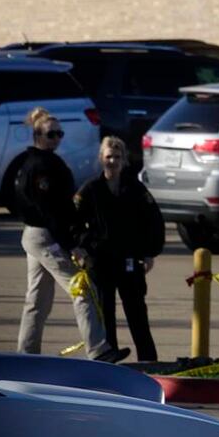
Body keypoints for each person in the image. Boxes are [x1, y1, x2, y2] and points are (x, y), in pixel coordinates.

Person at [13, 107, 127, 363]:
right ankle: (98, 350)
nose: (57, 138)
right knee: (82, 288)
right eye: (51, 134)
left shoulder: (34, 162)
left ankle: (26, 355)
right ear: (38, 135)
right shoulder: (41, 166)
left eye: (59, 133)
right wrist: (72, 245)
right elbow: (51, 212)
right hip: (45, 236)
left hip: (36, 236)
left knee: (37, 299)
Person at [75, 136, 165, 361]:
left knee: (136, 312)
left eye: (117, 157)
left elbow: (153, 220)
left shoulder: (135, 189)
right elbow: (73, 222)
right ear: (100, 159)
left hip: (129, 259)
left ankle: (148, 360)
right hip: (101, 261)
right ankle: (110, 357)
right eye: (108, 157)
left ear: (124, 160)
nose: (112, 161)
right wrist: (82, 247)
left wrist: (149, 252)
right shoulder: (90, 190)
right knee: (105, 312)